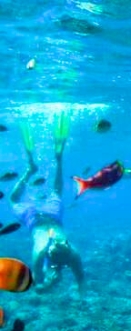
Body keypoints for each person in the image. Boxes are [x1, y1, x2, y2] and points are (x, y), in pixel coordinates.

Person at [8, 113, 85, 292]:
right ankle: (33, 168)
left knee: (55, 192)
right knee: (13, 200)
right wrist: (47, 284)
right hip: (33, 219)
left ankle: (53, 161)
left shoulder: (67, 252)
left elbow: (80, 279)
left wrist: (50, 281)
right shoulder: (49, 252)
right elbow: (39, 284)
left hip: (52, 216)